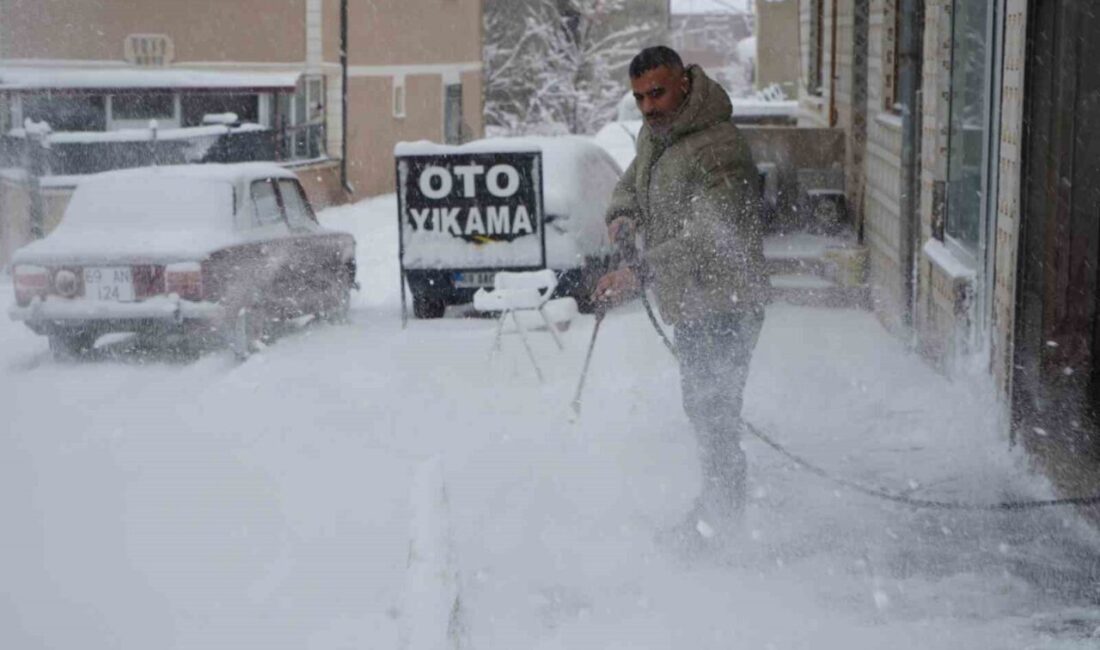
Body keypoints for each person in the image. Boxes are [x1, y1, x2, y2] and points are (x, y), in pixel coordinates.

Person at [593, 46, 767, 543]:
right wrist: (623, 217)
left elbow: (714, 235)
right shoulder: (658, 136)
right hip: (693, 304)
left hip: (728, 303)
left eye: (657, 92)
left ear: (685, 85)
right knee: (705, 411)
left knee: (715, 415)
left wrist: (640, 272)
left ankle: (723, 525)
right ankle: (718, 514)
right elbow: (631, 183)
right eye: (640, 97)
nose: (648, 106)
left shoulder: (718, 147)